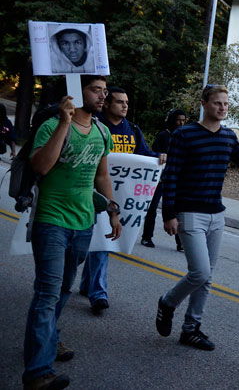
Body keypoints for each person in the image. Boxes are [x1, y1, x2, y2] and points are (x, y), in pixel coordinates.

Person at [155, 85, 239, 351]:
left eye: (226, 104)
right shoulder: (184, 135)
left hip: (216, 215)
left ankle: (191, 329)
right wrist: (169, 214)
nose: (222, 108)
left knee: (206, 278)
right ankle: (168, 302)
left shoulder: (228, 137)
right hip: (189, 214)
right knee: (200, 272)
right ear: (204, 104)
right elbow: (171, 175)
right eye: (218, 103)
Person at [23, 75, 121, 390]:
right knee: (48, 292)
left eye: (105, 91)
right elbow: (41, 167)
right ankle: (38, 372)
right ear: (77, 92)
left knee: (64, 289)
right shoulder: (52, 127)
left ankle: (49, 339)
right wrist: (64, 122)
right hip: (51, 221)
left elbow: (102, 175)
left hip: (83, 223)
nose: (103, 96)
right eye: (96, 90)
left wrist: (112, 209)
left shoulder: (102, 131)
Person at [80, 87, 163, 314]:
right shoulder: (95, 124)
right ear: (107, 104)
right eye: (119, 102)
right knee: (98, 242)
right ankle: (97, 292)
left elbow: (144, 154)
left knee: (101, 242)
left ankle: (91, 287)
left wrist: (159, 157)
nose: (125, 106)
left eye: (126, 102)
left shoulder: (132, 130)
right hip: (91, 193)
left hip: (118, 196)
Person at [141, 109, 187, 249]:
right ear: (173, 120)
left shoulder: (185, 136)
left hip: (177, 179)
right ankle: (147, 237)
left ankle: (180, 243)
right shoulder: (164, 135)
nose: (181, 123)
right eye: (178, 120)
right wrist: (161, 155)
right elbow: (154, 153)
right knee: (152, 208)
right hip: (160, 178)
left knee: (178, 210)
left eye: (183, 120)